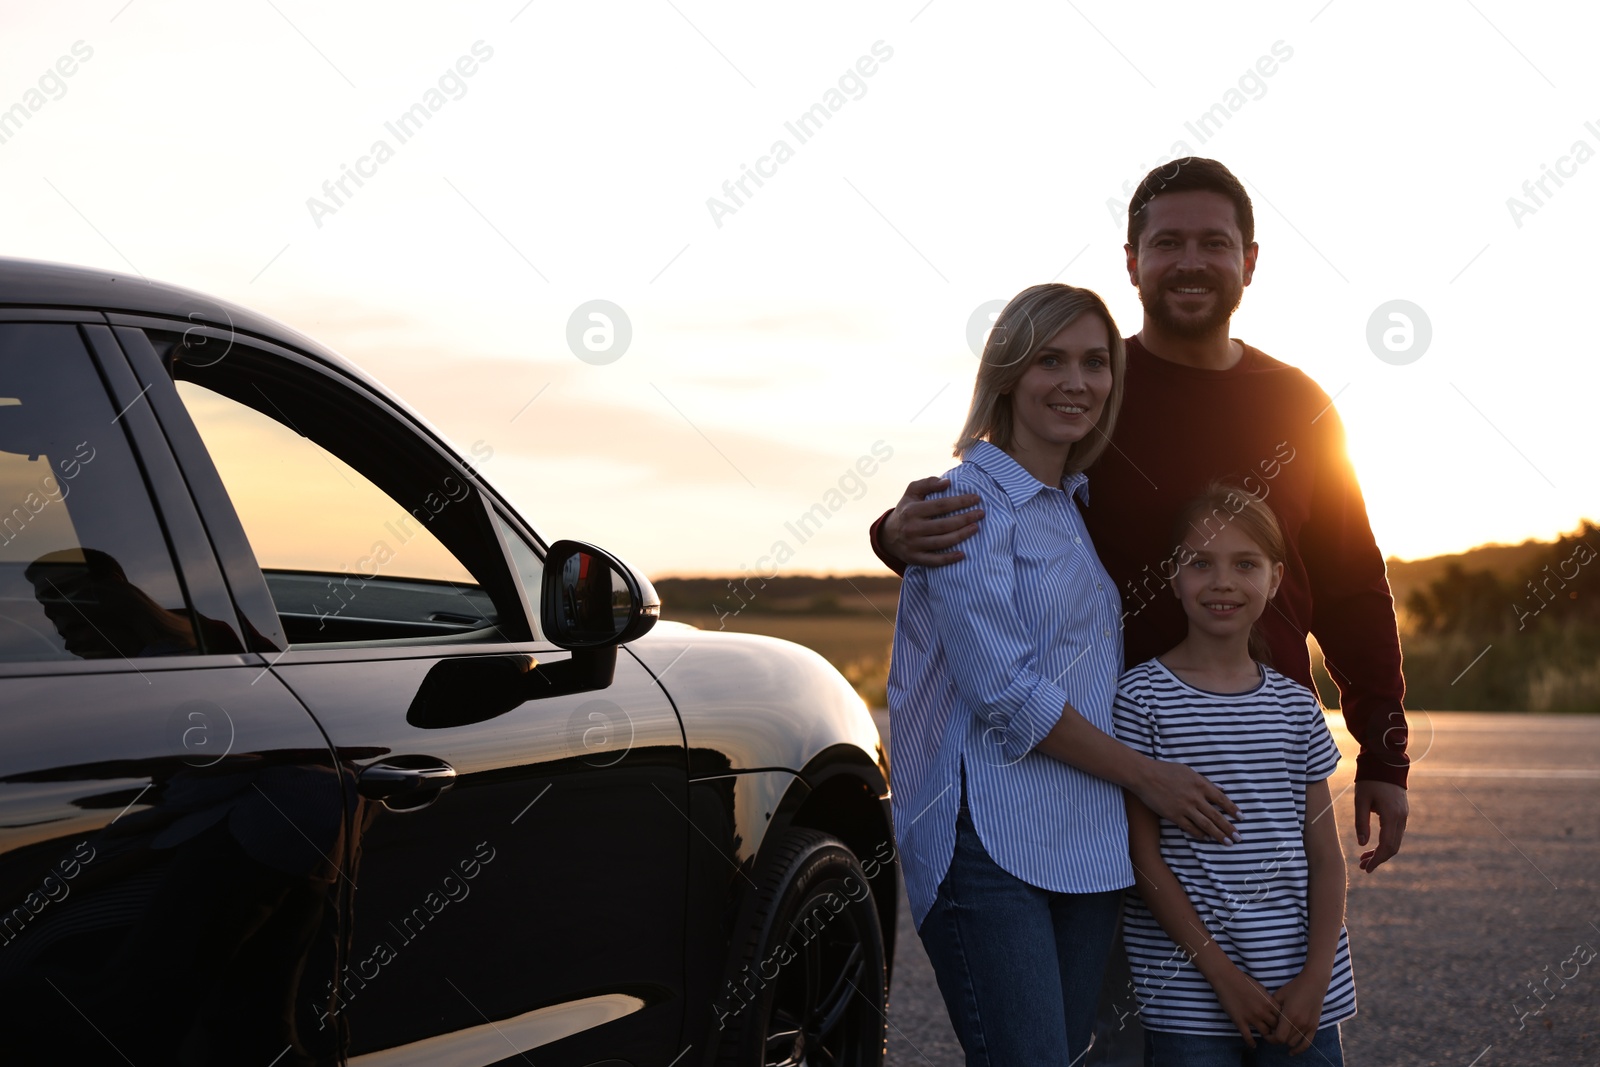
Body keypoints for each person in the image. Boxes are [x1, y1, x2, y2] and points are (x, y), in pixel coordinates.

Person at [874, 157, 1409, 874]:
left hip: (1263, 744)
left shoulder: (1300, 402)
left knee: (1281, 959)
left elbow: (1351, 587)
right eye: (1168, 243)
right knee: (1139, 983)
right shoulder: (1089, 388)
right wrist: (895, 532)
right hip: (1114, 756)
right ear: (1132, 261)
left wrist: (1384, 750)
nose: (1191, 262)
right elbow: (995, 499)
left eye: (1215, 244)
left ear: (1249, 262)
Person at [888, 283, 1244, 1066]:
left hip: (1085, 843)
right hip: (988, 839)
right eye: (1051, 359)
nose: (1076, 381)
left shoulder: (1067, 503)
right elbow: (1005, 694)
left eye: (1095, 361)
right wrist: (1151, 778)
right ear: (1008, 372)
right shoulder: (966, 503)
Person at [1112, 483, 1354, 1064]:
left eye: (1245, 564)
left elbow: (1326, 858)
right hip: (1191, 998)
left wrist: (1317, 979)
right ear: (1174, 577)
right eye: (1201, 563)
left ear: (1274, 579)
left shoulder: (1297, 706)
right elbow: (1143, 861)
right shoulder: (1140, 697)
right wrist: (1224, 979)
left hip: (1304, 997)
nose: (1222, 582)